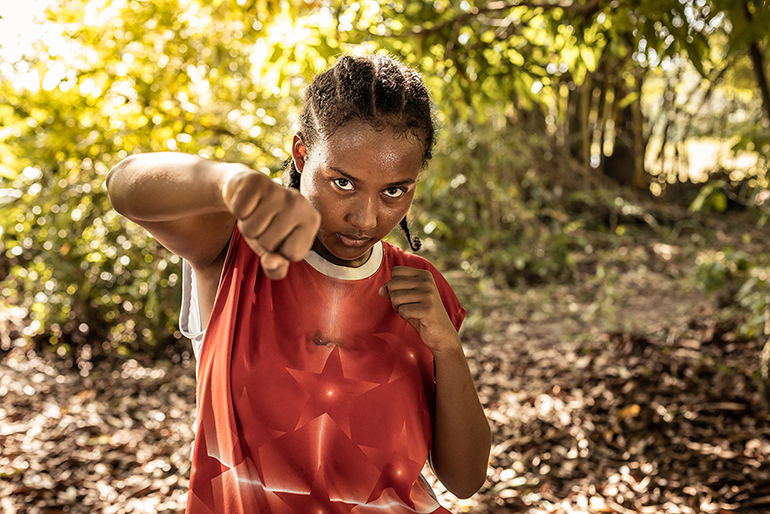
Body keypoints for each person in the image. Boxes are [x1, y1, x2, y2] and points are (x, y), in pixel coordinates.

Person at [107, 52, 490, 514]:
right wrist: (229, 183)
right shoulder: (236, 249)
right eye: (343, 183)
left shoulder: (418, 286)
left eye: (394, 191)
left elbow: (465, 479)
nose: (366, 217)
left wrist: (447, 347)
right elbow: (125, 186)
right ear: (301, 154)